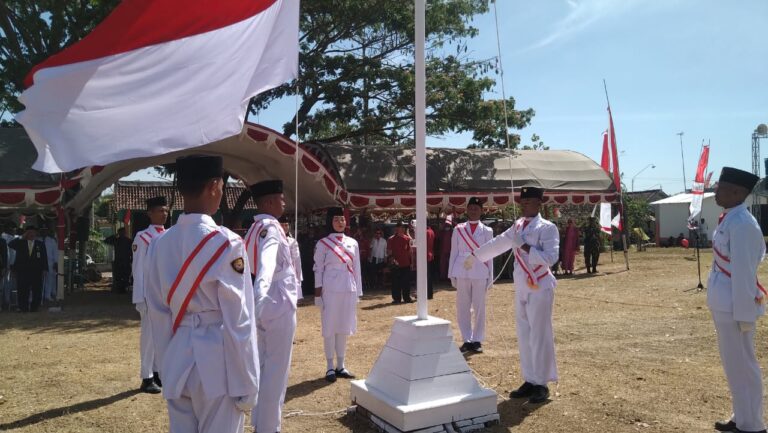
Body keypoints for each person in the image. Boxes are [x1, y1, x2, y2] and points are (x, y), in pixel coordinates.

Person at [144, 155, 259, 433]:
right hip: (217, 360)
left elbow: (157, 313)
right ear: (214, 186)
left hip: (177, 357)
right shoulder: (227, 242)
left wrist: (166, 365)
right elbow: (239, 319)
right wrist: (248, 380)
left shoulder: (159, 244)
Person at [464, 187, 559, 404]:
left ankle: (542, 383)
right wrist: (476, 255)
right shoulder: (517, 226)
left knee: (540, 334)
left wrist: (523, 246)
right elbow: (499, 243)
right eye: (522, 202)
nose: (524, 205)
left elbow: (551, 257)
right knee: (524, 333)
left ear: (539, 203)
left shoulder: (548, 227)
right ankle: (530, 379)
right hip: (522, 286)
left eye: (528, 201)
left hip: (540, 285)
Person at [708, 168, 766, 433]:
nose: (716, 192)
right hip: (725, 304)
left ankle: (752, 425)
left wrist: (745, 316)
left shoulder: (742, 224)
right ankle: (741, 416)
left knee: (743, 365)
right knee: (734, 365)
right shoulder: (731, 218)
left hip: (735, 307)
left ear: (737, 192)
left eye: (720, 188)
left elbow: (743, 274)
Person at [243, 179, 299, 433]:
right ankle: (269, 427)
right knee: (277, 371)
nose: (284, 201)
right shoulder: (271, 229)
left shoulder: (254, 228)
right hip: (276, 304)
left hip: (265, 306)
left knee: (263, 367)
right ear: (268, 202)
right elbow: (265, 267)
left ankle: (259, 422)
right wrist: (260, 296)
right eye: (280, 197)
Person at [314, 207, 363, 382]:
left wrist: (358, 292)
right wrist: (318, 295)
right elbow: (318, 269)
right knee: (329, 327)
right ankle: (329, 366)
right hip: (330, 289)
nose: (340, 222)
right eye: (336, 219)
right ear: (330, 221)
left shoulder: (353, 242)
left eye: (342, 219)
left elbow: (357, 268)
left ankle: (341, 365)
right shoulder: (322, 243)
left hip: (348, 287)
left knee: (344, 326)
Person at [131, 196, 168, 394]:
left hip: (164, 295)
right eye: (160, 210)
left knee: (161, 335)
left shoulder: (169, 235)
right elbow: (138, 269)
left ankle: (158, 372)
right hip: (148, 294)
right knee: (149, 337)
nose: (164, 214)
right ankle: (146, 377)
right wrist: (140, 297)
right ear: (150, 213)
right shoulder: (143, 237)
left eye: (166, 210)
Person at [448, 197, 494, 354]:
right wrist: (451, 273)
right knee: (463, 306)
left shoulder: (487, 231)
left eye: (476, 208)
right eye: (471, 208)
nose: (473, 210)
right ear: (467, 210)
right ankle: (466, 339)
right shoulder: (458, 229)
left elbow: (489, 254)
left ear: (482, 211)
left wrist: (490, 276)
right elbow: (454, 251)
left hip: (480, 270)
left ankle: (477, 339)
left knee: (480, 306)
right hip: (462, 269)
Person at [9, 225, 48, 312]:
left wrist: (45, 269)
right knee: (22, 289)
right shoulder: (20, 243)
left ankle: (34, 307)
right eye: (29, 232)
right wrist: (21, 237)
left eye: (33, 232)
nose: (31, 234)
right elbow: (10, 244)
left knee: (37, 290)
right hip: (23, 271)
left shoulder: (40, 244)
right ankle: (23, 307)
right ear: (26, 233)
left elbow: (44, 257)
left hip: (36, 271)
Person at [387, 221, 412, 303]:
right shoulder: (391, 239)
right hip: (396, 264)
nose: (402, 229)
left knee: (406, 282)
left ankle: (407, 298)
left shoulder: (407, 239)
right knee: (395, 283)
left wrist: (411, 262)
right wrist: (392, 260)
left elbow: (410, 251)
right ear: (396, 229)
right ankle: (396, 299)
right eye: (400, 227)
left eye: (403, 227)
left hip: (406, 263)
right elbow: (389, 251)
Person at [105, 227, 133, 293]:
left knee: (126, 276)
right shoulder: (116, 240)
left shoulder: (129, 241)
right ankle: (120, 289)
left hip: (126, 261)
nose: (122, 234)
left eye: (123, 232)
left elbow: (132, 251)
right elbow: (106, 241)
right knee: (118, 276)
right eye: (120, 233)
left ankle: (125, 288)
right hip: (118, 261)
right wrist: (114, 236)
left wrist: (132, 259)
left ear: (125, 233)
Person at [39, 227, 58, 302]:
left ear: (47, 232)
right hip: (40, 262)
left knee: (49, 279)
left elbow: (55, 252)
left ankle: (48, 295)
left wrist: (56, 262)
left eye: (45, 230)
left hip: (50, 262)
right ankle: (40, 295)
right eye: (42, 230)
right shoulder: (37, 240)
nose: (43, 232)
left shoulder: (52, 241)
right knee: (40, 279)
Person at [438, 215, 453, 280]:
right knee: (444, 264)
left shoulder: (452, 231)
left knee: (448, 264)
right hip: (444, 250)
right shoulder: (443, 231)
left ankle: (448, 277)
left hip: (450, 251)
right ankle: (443, 276)